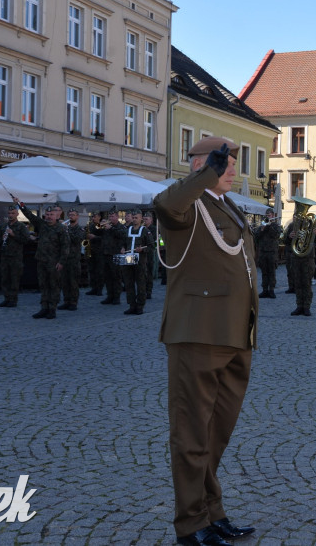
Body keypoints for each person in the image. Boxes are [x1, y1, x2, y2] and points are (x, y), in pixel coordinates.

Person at [153, 137, 258, 546]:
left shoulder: (225, 205)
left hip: (234, 335)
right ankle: (190, 524)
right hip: (197, 334)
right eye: (221, 163)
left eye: (231, 162)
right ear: (198, 165)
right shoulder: (186, 205)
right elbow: (164, 205)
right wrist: (203, 175)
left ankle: (212, 512)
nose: (231, 169)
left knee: (216, 434)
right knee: (192, 433)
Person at [19, 202, 70, 320]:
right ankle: (44, 308)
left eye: (51, 214)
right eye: (47, 214)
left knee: (54, 285)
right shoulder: (42, 225)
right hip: (41, 260)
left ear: (57, 215)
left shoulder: (61, 229)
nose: (49, 216)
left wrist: (61, 262)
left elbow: (65, 247)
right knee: (43, 285)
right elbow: (29, 215)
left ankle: (52, 309)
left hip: (54, 262)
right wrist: (20, 204)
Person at [286, 198, 316, 316]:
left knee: (307, 283)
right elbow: (285, 241)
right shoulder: (292, 226)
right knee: (297, 283)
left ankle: (307, 306)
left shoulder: (311, 224)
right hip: (296, 258)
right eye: (298, 214)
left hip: (308, 258)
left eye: (301, 213)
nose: (300, 216)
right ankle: (299, 306)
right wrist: (289, 236)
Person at [121, 208, 153, 315]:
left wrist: (142, 249)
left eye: (136, 218)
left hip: (140, 261)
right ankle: (132, 305)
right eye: (133, 218)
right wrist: (122, 248)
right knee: (129, 283)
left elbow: (151, 246)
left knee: (140, 284)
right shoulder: (128, 229)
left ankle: (140, 306)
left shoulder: (145, 231)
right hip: (128, 259)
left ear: (141, 218)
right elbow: (123, 243)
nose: (134, 220)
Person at [0, 204, 31, 307]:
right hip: (5, 256)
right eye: (9, 213)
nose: (11, 215)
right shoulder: (3, 226)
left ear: (17, 214)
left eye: (13, 213)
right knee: (5, 278)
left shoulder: (21, 226)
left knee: (14, 278)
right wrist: (1, 238)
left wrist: (13, 235)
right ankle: (6, 298)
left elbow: (26, 240)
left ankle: (13, 299)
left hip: (16, 256)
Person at [252, 208, 282, 299]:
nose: (267, 217)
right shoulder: (262, 225)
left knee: (272, 272)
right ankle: (265, 290)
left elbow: (276, 235)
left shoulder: (275, 225)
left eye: (269, 215)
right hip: (263, 252)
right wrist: (262, 229)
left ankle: (271, 290)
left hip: (272, 252)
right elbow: (256, 237)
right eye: (266, 215)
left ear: (273, 215)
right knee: (264, 272)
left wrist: (269, 226)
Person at [59, 209, 85, 311]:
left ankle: (73, 302)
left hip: (74, 259)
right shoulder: (65, 228)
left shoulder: (80, 229)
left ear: (77, 216)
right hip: (65, 259)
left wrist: (67, 230)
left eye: (73, 215)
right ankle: (66, 301)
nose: (71, 217)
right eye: (69, 215)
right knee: (64, 282)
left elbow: (76, 240)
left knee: (73, 282)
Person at [100, 209, 127, 306]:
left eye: (112, 216)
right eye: (109, 217)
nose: (110, 218)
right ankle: (109, 295)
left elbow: (122, 235)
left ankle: (116, 297)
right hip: (106, 254)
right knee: (107, 277)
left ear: (117, 217)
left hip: (115, 254)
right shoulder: (107, 227)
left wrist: (110, 228)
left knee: (116, 277)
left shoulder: (121, 227)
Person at [85, 211, 106, 296]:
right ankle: (93, 288)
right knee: (92, 270)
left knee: (99, 271)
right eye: (92, 216)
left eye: (95, 216)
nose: (93, 218)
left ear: (99, 217)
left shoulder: (102, 226)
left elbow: (105, 238)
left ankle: (99, 289)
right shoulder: (90, 225)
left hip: (99, 250)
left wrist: (95, 237)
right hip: (91, 249)